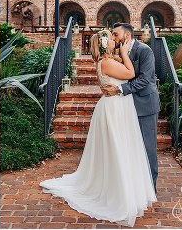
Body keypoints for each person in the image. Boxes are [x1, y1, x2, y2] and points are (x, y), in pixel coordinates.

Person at [40, 29, 156, 227]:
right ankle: (117, 191)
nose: (114, 40)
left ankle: (125, 187)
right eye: (111, 39)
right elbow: (131, 74)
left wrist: (121, 55)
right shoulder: (108, 62)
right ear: (104, 45)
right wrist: (125, 54)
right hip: (115, 108)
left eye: (114, 36)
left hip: (117, 106)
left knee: (120, 148)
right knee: (117, 149)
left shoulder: (108, 60)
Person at [103, 22, 161, 191]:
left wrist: (120, 89)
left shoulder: (144, 51)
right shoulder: (116, 53)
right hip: (126, 108)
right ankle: (134, 187)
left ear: (126, 35)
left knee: (147, 148)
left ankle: (151, 188)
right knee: (131, 147)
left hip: (145, 105)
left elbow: (145, 79)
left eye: (115, 34)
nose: (113, 37)